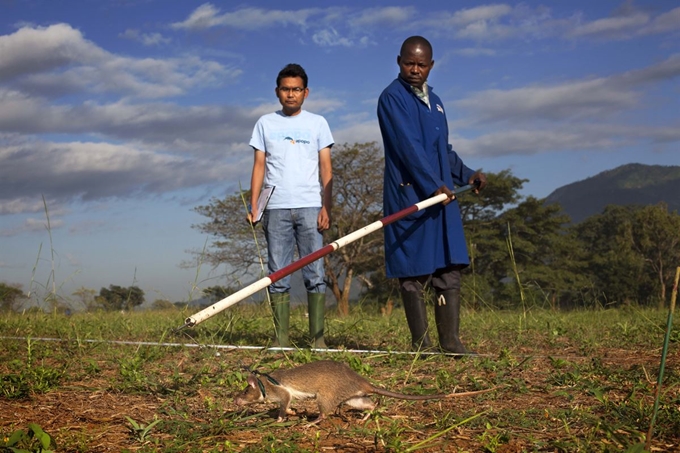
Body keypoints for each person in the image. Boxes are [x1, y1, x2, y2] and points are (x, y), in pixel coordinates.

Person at [377, 36, 487, 354]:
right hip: (411, 194)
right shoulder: (392, 98)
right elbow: (407, 147)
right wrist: (431, 185)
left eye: (421, 64)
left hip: (441, 196)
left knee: (448, 267)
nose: (415, 69)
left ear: (431, 66)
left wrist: (467, 175)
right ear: (399, 61)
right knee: (414, 270)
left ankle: (451, 342)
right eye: (409, 63)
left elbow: (443, 151)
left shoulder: (436, 102)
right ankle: (421, 345)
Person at [247, 63, 334, 349]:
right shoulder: (265, 123)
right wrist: (254, 206)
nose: (291, 94)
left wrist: (326, 207)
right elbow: (259, 165)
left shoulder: (318, 123)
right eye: (285, 89)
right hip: (276, 209)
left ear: (305, 92)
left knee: (316, 273)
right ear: (277, 92)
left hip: (310, 206)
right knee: (278, 273)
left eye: (296, 89)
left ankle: (317, 339)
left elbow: (326, 167)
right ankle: (280, 339)